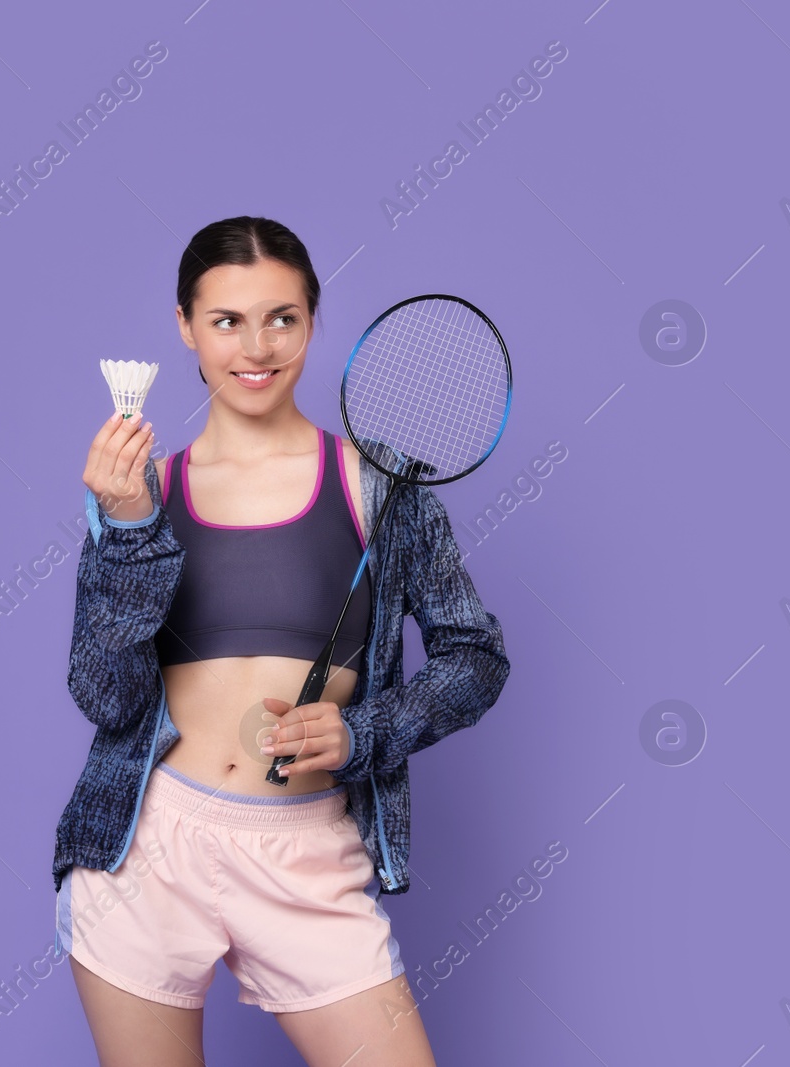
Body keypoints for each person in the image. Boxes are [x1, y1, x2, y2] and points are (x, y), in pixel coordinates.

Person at [51, 216, 510, 1066]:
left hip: (305, 848)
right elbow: (106, 696)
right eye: (226, 320)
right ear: (185, 325)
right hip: (147, 850)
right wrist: (127, 535)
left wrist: (363, 734)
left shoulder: (383, 489)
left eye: (282, 318)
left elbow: (474, 656)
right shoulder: (139, 494)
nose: (256, 346)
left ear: (310, 320)